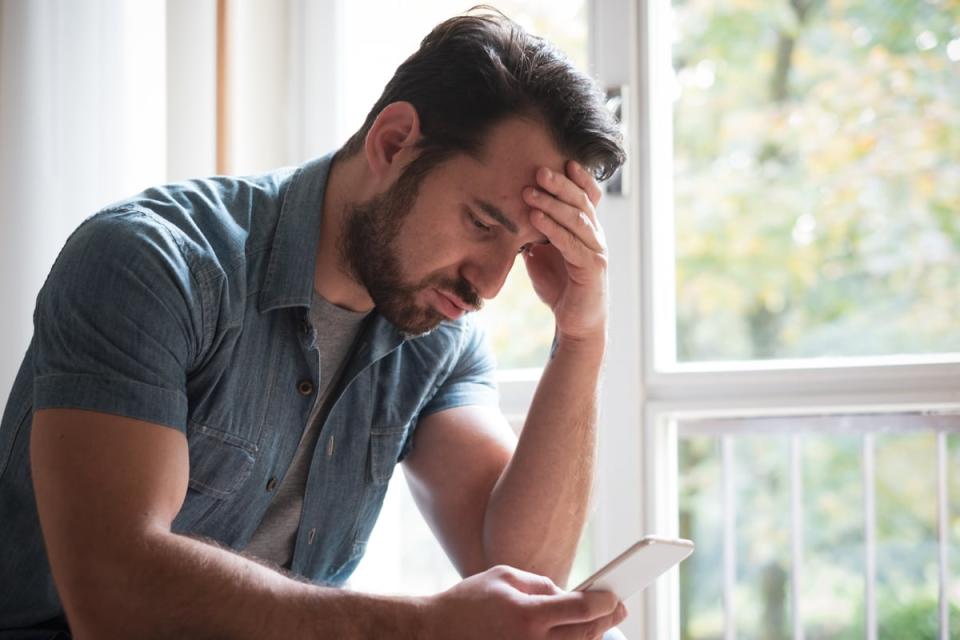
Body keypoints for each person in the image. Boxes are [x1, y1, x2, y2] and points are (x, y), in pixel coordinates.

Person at [0, 7, 626, 639]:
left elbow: (522, 574)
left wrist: (580, 338)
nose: (489, 285)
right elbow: (114, 598)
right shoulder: (152, 264)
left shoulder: (435, 334)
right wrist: (422, 629)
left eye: (522, 250)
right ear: (392, 142)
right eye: (482, 224)